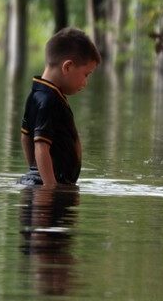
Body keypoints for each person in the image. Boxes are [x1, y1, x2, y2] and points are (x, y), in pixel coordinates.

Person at [18, 27, 101, 188]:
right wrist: (49, 187)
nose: (85, 83)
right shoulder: (50, 100)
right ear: (68, 67)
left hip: (45, 182)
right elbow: (41, 146)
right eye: (86, 74)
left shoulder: (37, 94)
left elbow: (26, 138)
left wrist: (35, 170)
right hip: (50, 188)